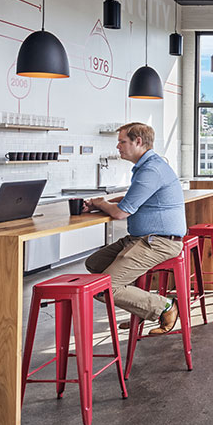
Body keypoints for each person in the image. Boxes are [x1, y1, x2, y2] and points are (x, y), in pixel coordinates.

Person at [85, 122, 187, 333]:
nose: (118, 147)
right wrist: (104, 202)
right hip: (142, 239)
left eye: (122, 142)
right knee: (95, 264)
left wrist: (101, 203)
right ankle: (140, 308)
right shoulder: (147, 167)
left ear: (138, 142)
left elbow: (122, 212)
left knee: (106, 288)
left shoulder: (151, 170)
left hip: (159, 242)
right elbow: (133, 198)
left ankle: (165, 307)